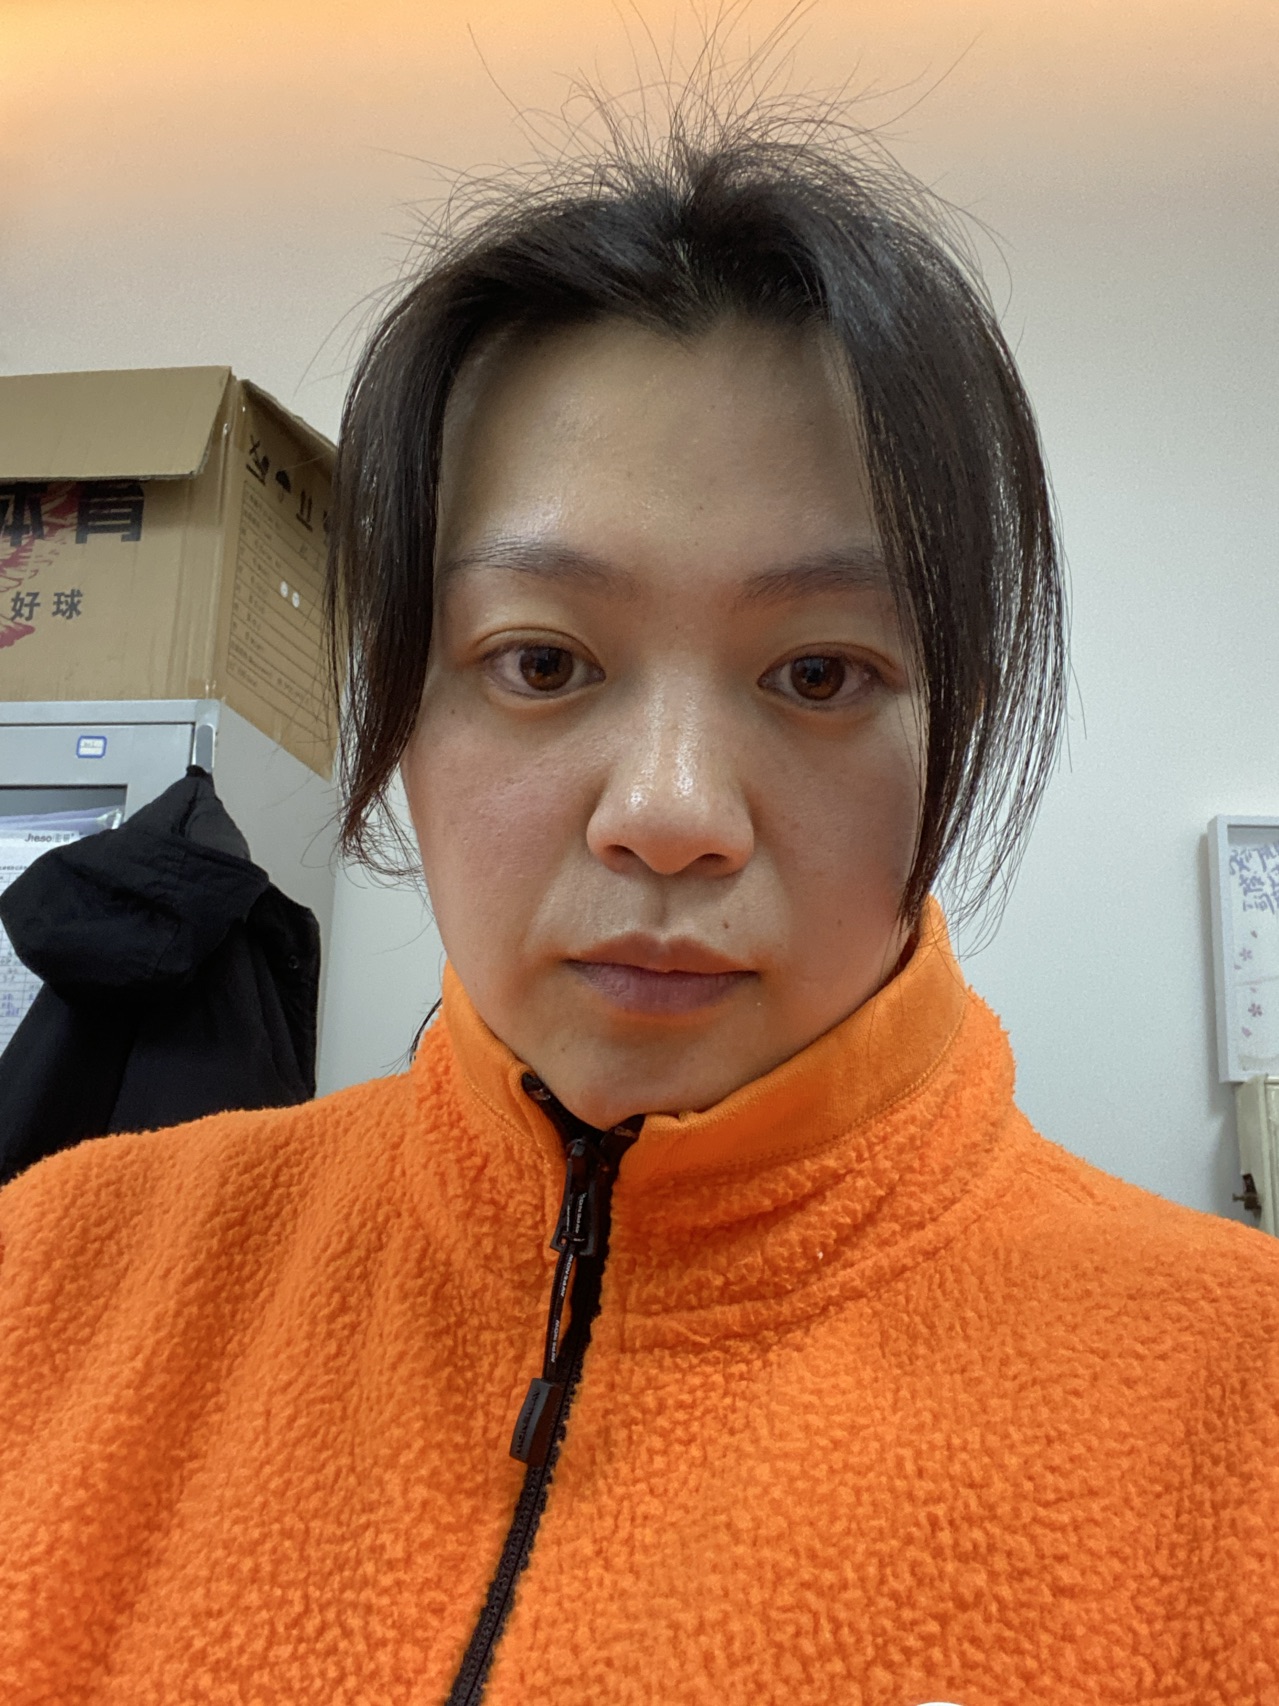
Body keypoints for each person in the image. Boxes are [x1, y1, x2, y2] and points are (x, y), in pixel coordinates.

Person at [1, 95, 1277, 1706]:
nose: (670, 815)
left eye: (819, 672)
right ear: (400, 703)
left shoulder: (1240, 1414)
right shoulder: (56, 1282)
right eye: (542, 660)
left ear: (953, 718)